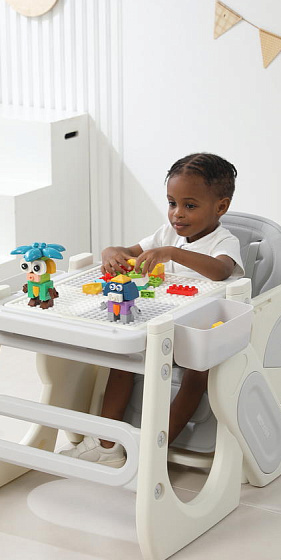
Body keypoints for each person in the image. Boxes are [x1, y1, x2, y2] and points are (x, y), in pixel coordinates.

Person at [61, 152, 244, 467]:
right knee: (121, 360)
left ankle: (152, 453)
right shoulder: (166, 233)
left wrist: (173, 253)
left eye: (190, 205)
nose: (177, 214)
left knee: (197, 376)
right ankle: (107, 446)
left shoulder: (223, 242)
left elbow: (220, 271)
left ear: (221, 207)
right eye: (172, 203)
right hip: (160, 324)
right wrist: (111, 252)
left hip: (202, 336)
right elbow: (128, 251)